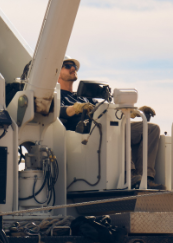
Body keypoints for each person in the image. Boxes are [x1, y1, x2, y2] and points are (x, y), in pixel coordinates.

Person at [58, 58, 162, 188]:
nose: (73, 68)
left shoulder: (83, 97)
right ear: (56, 73)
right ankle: (128, 174)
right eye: (68, 66)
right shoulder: (56, 96)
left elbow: (109, 110)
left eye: (75, 66)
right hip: (88, 135)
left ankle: (146, 178)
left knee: (151, 129)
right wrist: (76, 108)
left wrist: (132, 112)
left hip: (105, 129)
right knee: (117, 130)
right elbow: (58, 111)